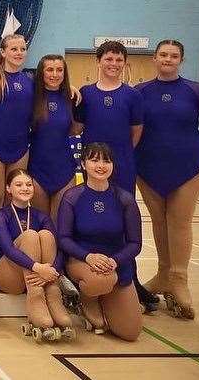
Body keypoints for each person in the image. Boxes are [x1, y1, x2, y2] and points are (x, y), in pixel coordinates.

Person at [135, 39, 199, 319]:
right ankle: (163, 274)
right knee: (159, 221)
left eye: (173, 56)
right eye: (163, 55)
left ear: (181, 60)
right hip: (148, 167)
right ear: (154, 59)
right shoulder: (140, 92)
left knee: (179, 221)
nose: (167, 59)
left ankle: (179, 278)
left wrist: (184, 148)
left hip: (189, 166)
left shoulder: (197, 91)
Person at [73, 41, 152, 311]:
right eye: (109, 59)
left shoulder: (132, 96)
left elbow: (136, 131)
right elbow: (77, 127)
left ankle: (131, 279)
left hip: (123, 167)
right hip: (93, 168)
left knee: (124, 221)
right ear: (99, 61)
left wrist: (119, 158)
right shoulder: (86, 94)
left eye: (119, 60)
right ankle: (91, 274)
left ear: (124, 63)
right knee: (92, 218)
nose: (113, 64)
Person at [58, 142, 142, 341]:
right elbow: (63, 238)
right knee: (99, 280)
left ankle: (105, 298)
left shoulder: (125, 199)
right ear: (83, 164)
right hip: (82, 260)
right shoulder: (72, 197)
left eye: (106, 160)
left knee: (130, 333)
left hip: (115, 266)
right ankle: (87, 300)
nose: (101, 165)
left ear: (113, 165)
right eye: (94, 160)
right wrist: (88, 256)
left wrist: (115, 261)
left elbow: (135, 243)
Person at [0, 169, 74, 342]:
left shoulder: (42, 216)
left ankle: (53, 294)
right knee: (30, 235)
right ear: (8, 189)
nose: (25, 188)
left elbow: (59, 250)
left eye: (28, 184)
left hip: (42, 275)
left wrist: (52, 271)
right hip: (7, 275)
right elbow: (7, 248)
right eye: (18, 184)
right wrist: (38, 268)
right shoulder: (0, 215)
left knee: (46, 235)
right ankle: (35, 299)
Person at [0, 34, 33, 254]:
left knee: (17, 196)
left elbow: (53, 92)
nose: (19, 53)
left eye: (22, 49)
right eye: (14, 49)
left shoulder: (30, 81)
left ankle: (16, 243)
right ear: (2, 52)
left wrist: (73, 91)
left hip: (20, 148)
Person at [28, 55, 80, 221]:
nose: (55, 74)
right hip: (37, 170)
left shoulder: (72, 99)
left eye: (59, 70)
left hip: (64, 170)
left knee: (60, 224)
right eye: (49, 69)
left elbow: (76, 129)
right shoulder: (31, 97)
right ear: (41, 73)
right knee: (42, 225)